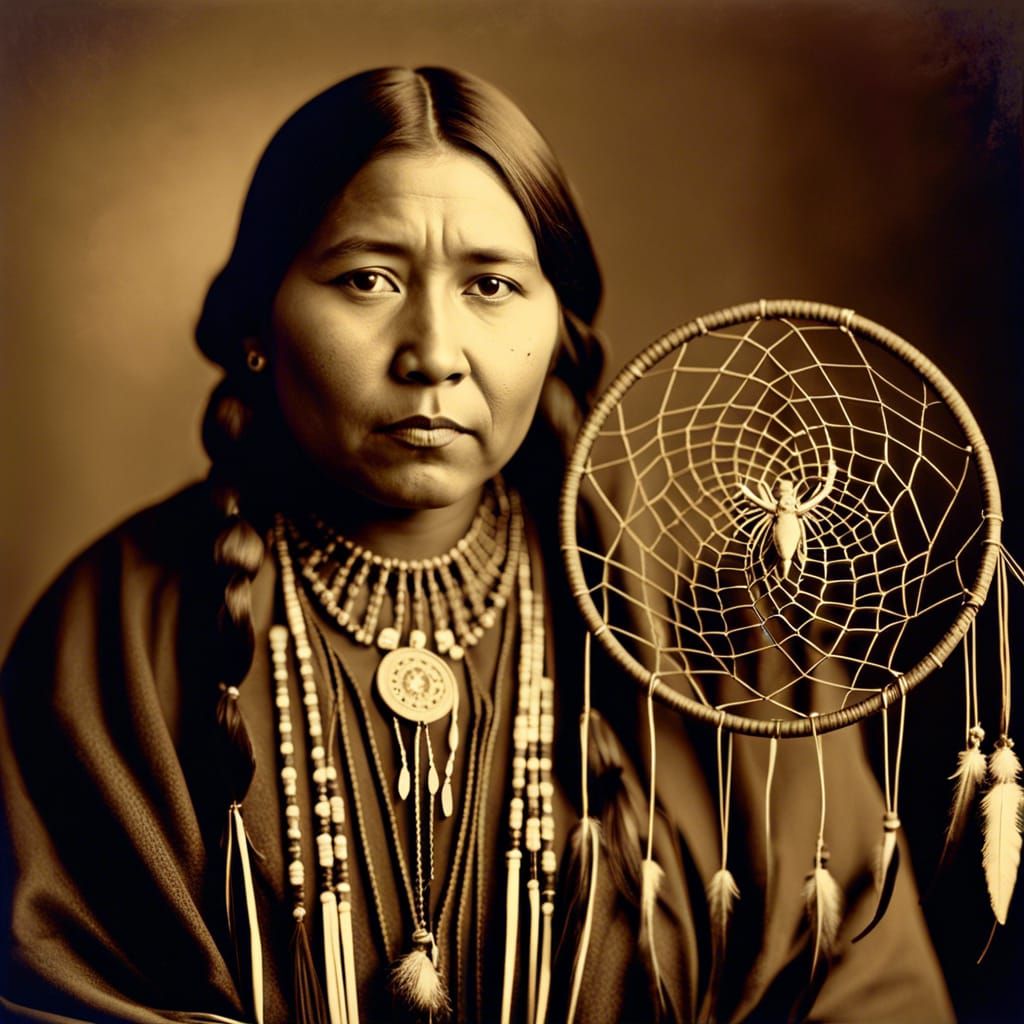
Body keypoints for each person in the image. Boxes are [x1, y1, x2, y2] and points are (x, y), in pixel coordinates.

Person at [0, 66, 953, 1024]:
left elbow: (871, 994)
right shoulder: (112, 640)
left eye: (492, 286)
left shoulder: (711, 632)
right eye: (367, 280)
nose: (434, 351)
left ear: (556, 327)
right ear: (259, 322)